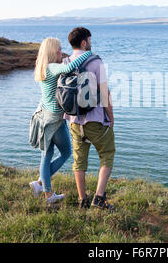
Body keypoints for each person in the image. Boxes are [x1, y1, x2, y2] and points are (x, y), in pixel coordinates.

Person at [29, 37, 92, 203]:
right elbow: (70, 67)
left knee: (47, 154)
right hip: (55, 118)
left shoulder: (42, 67)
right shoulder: (52, 67)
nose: (61, 52)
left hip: (43, 115)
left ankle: (41, 185)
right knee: (66, 152)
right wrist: (88, 53)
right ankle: (47, 192)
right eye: (58, 49)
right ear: (51, 51)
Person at [63, 27, 116, 210]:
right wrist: (110, 116)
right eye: (90, 40)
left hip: (74, 121)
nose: (91, 43)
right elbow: (104, 92)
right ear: (84, 42)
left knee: (79, 161)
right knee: (107, 154)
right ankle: (99, 198)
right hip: (95, 120)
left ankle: (82, 200)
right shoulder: (95, 61)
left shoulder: (66, 62)